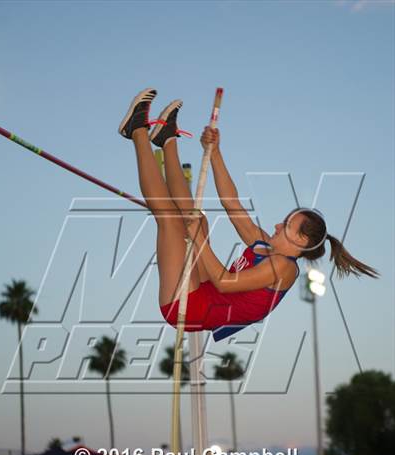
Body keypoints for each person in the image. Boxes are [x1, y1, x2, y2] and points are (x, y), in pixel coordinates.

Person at [118, 89, 379, 338]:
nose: (277, 225)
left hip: (188, 308)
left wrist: (196, 240)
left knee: (171, 222)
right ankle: (167, 140)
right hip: (206, 290)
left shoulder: (283, 269)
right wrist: (215, 153)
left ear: (300, 241)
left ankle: (137, 131)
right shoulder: (265, 245)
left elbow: (224, 282)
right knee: (198, 220)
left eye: (287, 225)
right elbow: (232, 204)